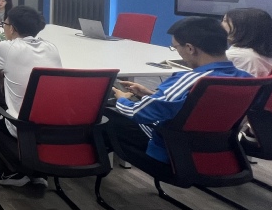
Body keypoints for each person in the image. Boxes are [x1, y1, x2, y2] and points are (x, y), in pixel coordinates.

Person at [108, 16, 252, 164]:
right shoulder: (248, 79)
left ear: (190, 48)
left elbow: (137, 112)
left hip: (170, 151)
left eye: (176, 47)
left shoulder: (190, 80)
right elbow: (199, 107)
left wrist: (122, 99)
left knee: (106, 114)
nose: (177, 52)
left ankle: (100, 169)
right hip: (219, 152)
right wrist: (151, 94)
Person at [0, 5, 61, 187]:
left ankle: (16, 168)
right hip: (54, 125)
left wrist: (1, 72)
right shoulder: (51, 47)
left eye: (4, 24)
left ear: (12, 28)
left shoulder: (7, 48)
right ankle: (38, 165)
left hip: (22, 126)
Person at [222, 8, 272, 77]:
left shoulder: (235, 55)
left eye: (225, 21)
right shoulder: (265, 54)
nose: (221, 25)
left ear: (241, 28)